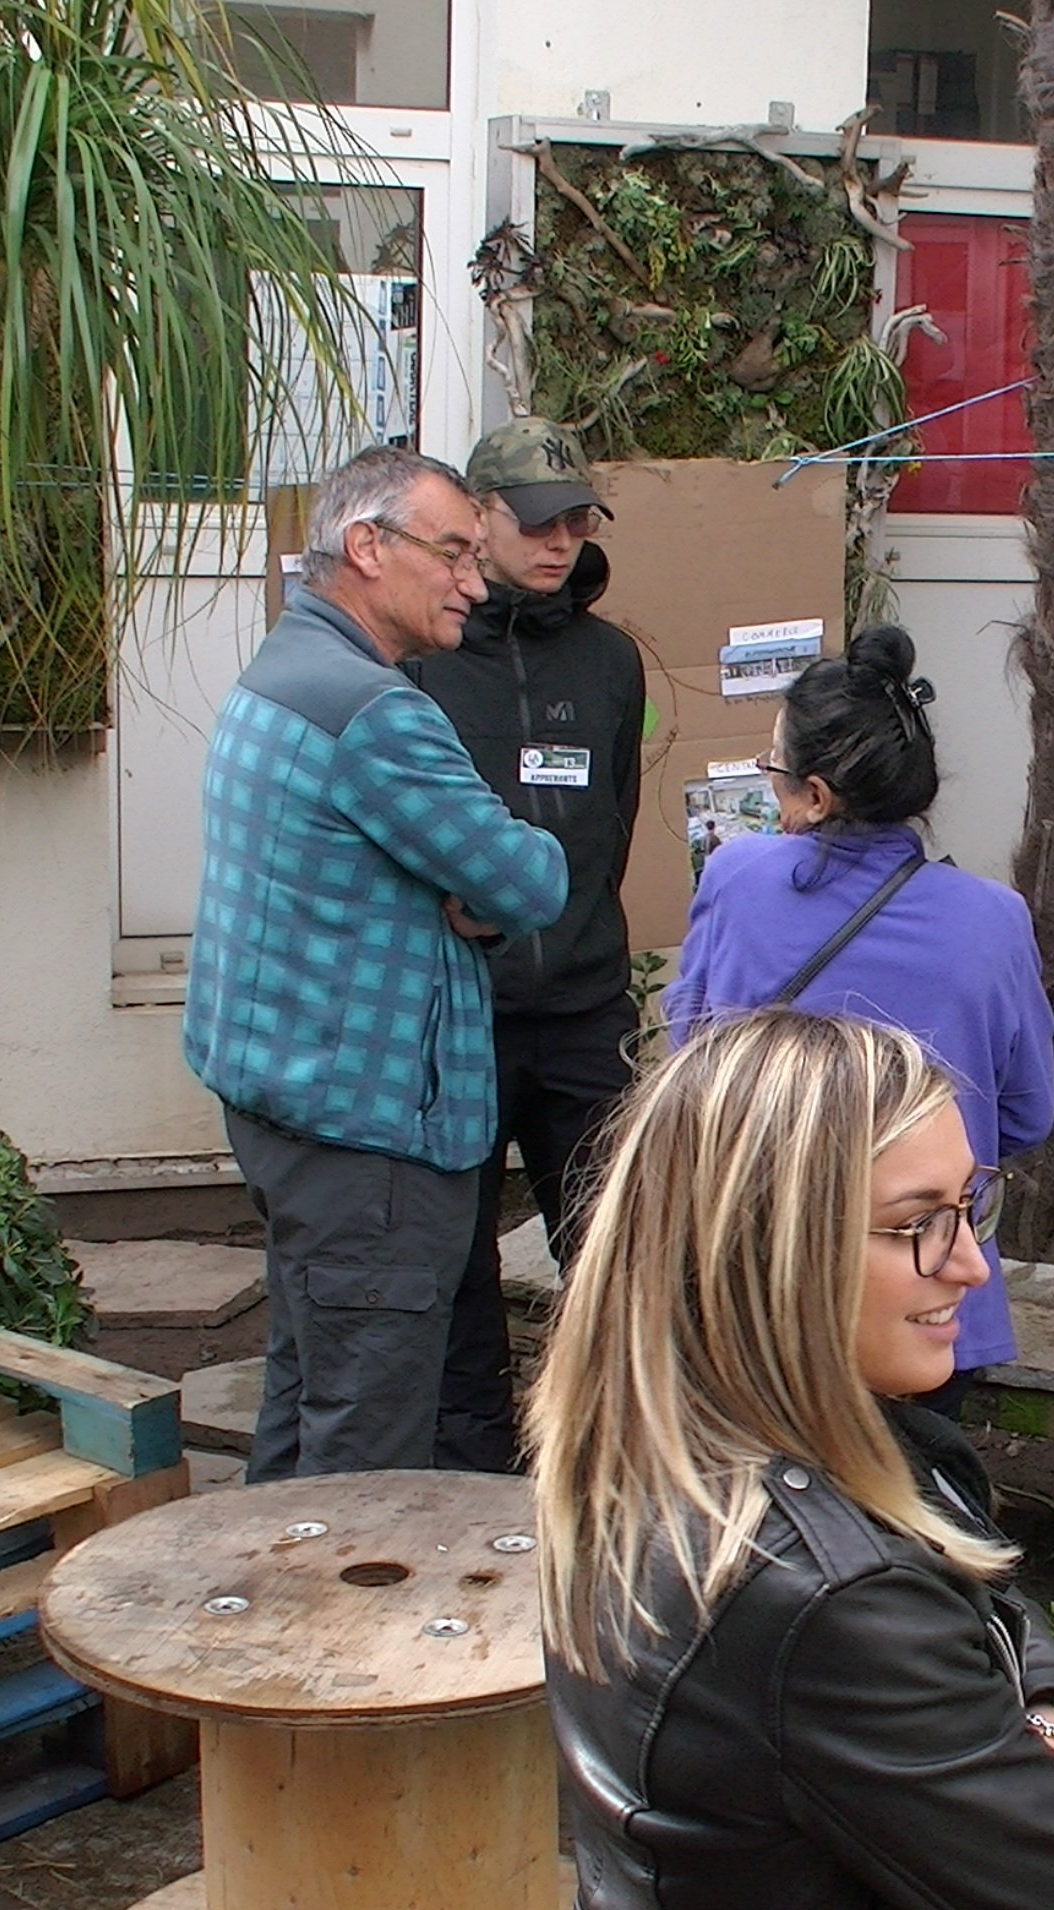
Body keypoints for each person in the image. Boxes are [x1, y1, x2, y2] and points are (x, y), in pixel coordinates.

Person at [526, 1009, 1054, 1910]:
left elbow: (992, 1606)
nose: (969, 1262)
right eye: (917, 1223)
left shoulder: (660, 1452)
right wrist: (1036, 1764)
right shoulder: (825, 1596)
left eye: (970, 1206)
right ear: (767, 1245)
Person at [183, 445, 569, 1481]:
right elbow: (531, 883)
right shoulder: (376, 714)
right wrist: (474, 892)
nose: (472, 582)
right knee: (367, 1450)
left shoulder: (276, 674)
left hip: (292, 1109)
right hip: (371, 1139)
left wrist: (447, 888)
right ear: (366, 546)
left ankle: (250, 1622)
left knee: (307, 1396)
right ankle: (327, 1636)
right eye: (450, 553)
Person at [665, 625, 1054, 1418]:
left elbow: (690, 1056)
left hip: (758, 1276)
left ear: (815, 794)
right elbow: (1027, 1111)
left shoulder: (736, 878)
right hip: (927, 1289)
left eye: (774, 774)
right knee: (916, 1511)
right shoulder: (992, 919)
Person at [409, 417, 647, 1473]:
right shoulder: (427, 658)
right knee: (452, 1258)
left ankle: (605, 1453)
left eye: (577, 521)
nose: (559, 542)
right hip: (459, 1010)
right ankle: (468, 1465)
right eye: (538, 522)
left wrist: (581, 940)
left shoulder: (608, 664)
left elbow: (613, 824)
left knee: (610, 1251)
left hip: (583, 1012)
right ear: (480, 519)